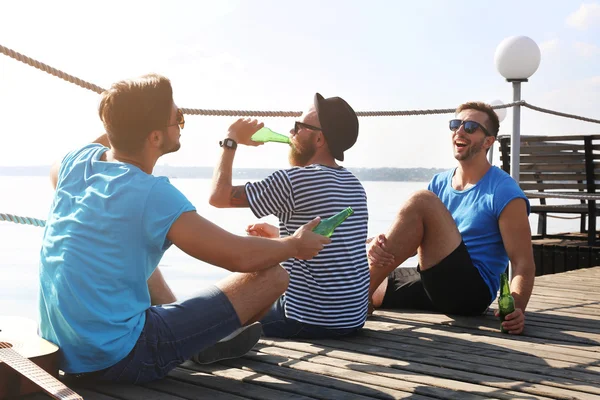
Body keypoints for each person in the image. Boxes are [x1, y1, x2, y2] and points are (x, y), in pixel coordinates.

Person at [38, 73, 331, 385]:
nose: (181, 122)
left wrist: (123, 114)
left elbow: (92, 148)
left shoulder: (73, 164)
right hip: (122, 358)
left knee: (136, 257)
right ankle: (198, 342)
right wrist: (293, 246)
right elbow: (239, 256)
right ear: (154, 137)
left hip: (62, 351)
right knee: (273, 275)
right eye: (177, 117)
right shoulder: (152, 194)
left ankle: (192, 338)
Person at [209, 93, 370, 339]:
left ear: (319, 139)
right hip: (351, 319)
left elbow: (218, 197)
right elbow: (334, 246)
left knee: (238, 290)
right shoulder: (353, 184)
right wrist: (279, 235)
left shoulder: (293, 180)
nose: (290, 132)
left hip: (306, 319)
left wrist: (230, 139)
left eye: (299, 127)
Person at [368, 101, 535, 335]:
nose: (459, 130)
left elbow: (523, 263)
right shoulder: (439, 182)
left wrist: (517, 308)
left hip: (470, 292)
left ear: (488, 141)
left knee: (421, 200)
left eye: (470, 127)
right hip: (434, 280)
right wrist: (380, 244)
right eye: (456, 124)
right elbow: (412, 237)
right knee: (370, 276)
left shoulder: (504, 191)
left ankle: (357, 302)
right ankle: (346, 299)